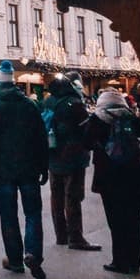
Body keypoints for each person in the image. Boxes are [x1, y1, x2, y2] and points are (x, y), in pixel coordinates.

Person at [0, 60, 49, 279]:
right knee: (33, 213)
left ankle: (15, 260)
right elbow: (41, 138)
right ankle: (33, 253)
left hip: (3, 170)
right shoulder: (30, 105)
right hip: (29, 169)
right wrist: (43, 166)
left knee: (8, 215)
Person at [85, 88, 140, 275]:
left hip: (109, 178)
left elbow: (86, 143)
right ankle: (134, 262)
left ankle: (120, 261)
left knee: (116, 221)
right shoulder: (132, 118)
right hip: (135, 176)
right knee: (135, 221)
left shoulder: (98, 119)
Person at [44, 74, 102, 251]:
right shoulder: (75, 103)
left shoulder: (49, 101)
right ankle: (75, 237)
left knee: (57, 197)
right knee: (73, 197)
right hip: (74, 156)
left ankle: (61, 235)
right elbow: (87, 130)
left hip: (53, 154)